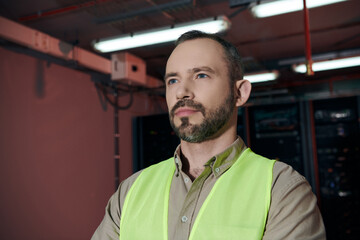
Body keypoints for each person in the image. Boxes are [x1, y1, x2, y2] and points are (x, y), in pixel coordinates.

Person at [91, 30, 326, 240]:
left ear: (240, 93)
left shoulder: (282, 190)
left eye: (201, 75)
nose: (182, 91)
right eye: (173, 80)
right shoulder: (130, 191)